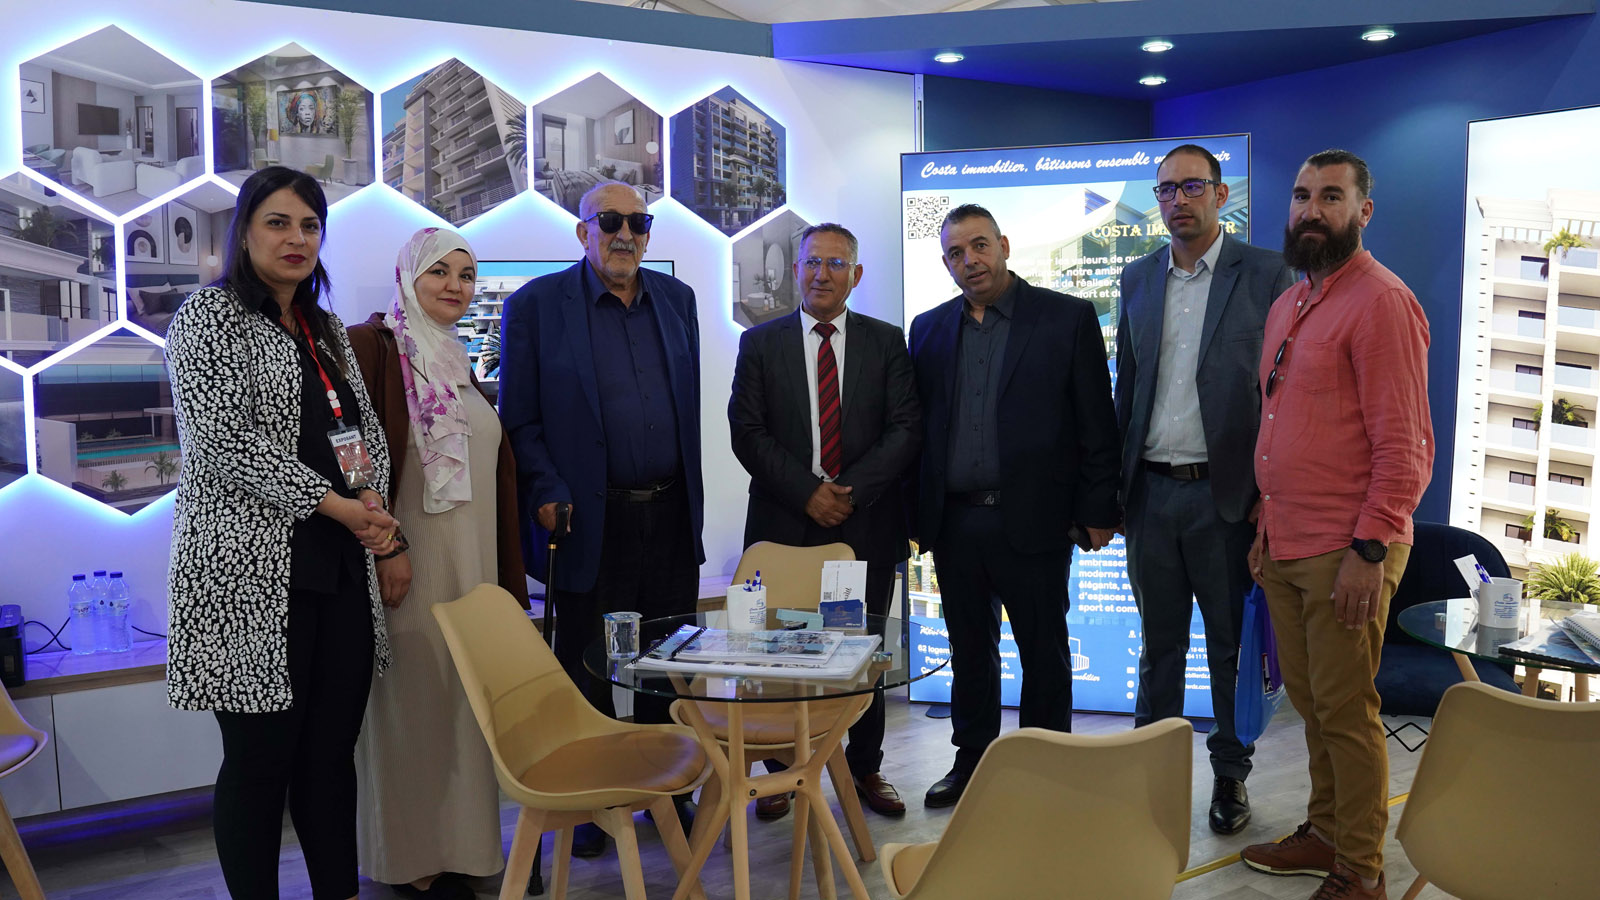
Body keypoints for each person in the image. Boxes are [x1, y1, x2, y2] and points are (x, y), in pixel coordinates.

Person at [164, 165, 399, 900]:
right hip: (249, 575)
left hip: (338, 569)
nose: (296, 238)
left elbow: (357, 428)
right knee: (260, 763)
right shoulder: (208, 317)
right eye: (278, 222)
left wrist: (371, 497)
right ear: (244, 232)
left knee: (330, 757)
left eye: (309, 225)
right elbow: (223, 442)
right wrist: (338, 505)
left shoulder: (324, 326)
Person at [1240, 149, 1432, 900]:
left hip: (1347, 548)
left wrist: (1370, 549)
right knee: (1313, 707)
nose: (1310, 211)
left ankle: (1361, 869)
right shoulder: (1291, 303)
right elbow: (1283, 425)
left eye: (1329, 196)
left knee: (1347, 712)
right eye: (1301, 196)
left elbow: (1405, 444)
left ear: (1362, 211)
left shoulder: (1382, 302)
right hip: (1285, 541)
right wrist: (1265, 522)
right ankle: (1325, 832)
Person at [498, 180, 703, 857]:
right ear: (582, 231)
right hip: (588, 518)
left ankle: (667, 790)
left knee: (666, 659)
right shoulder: (536, 306)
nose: (625, 235)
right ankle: (592, 798)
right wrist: (547, 488)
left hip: (669, 512)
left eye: (638, 223)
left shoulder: (677, 299)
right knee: (588, 661)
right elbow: (520, 418)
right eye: (609, 221)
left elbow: (688, 412)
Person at [908, 203, 1121, 809]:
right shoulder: (928, 328)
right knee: (969, 650)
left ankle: (1045, 771)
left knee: (1043, 651)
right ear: (946, 262)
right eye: (955, 253)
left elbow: (1096, 421)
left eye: (979, 246)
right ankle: (972, 761)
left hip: (1035, 519)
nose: (969, 261)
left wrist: (1098, 509)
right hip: (956, 521)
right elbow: (919, 429)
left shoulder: (1066, 317)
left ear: (1003, 245)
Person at [1114, 144, 1297, 835]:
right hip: (1151, 496)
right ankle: (1148, 774)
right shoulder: (1137, 277)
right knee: (1158, 647)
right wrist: (1114, 495)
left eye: (1192, 187)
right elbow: (1128, 388)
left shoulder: (1268, 273)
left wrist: (1268, 499)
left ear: (1221, 195)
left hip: (1227, 499)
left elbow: (1286, 394)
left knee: (1228, 648)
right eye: (1165, 190)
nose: (1177, 201)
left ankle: (1230, 776)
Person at [347, 227, 529, 900]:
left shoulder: (454, 358)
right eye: (439, 272)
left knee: (462, 709)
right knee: (409, 708)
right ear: (407, 277)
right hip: (406, 567)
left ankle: (465, 847)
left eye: (467, 274)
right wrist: (385, 548)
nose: (455, 285)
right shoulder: (371, 347)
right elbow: (349, 452)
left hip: (471, 569)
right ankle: (411, 857)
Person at [728, 223, 921, 819]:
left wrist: (847, 495)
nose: (822, 274)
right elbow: (747, 432)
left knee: (861, 651)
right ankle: (781, 772)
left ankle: (864, 767)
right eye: (812, 262)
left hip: (864, 526)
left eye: (836, 264)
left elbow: (905, 429)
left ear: (855, 276)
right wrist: (809, 493)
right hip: (784, 525)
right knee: (776, 652)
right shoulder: (760, 344)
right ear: (796, 271)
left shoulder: (886, 342)